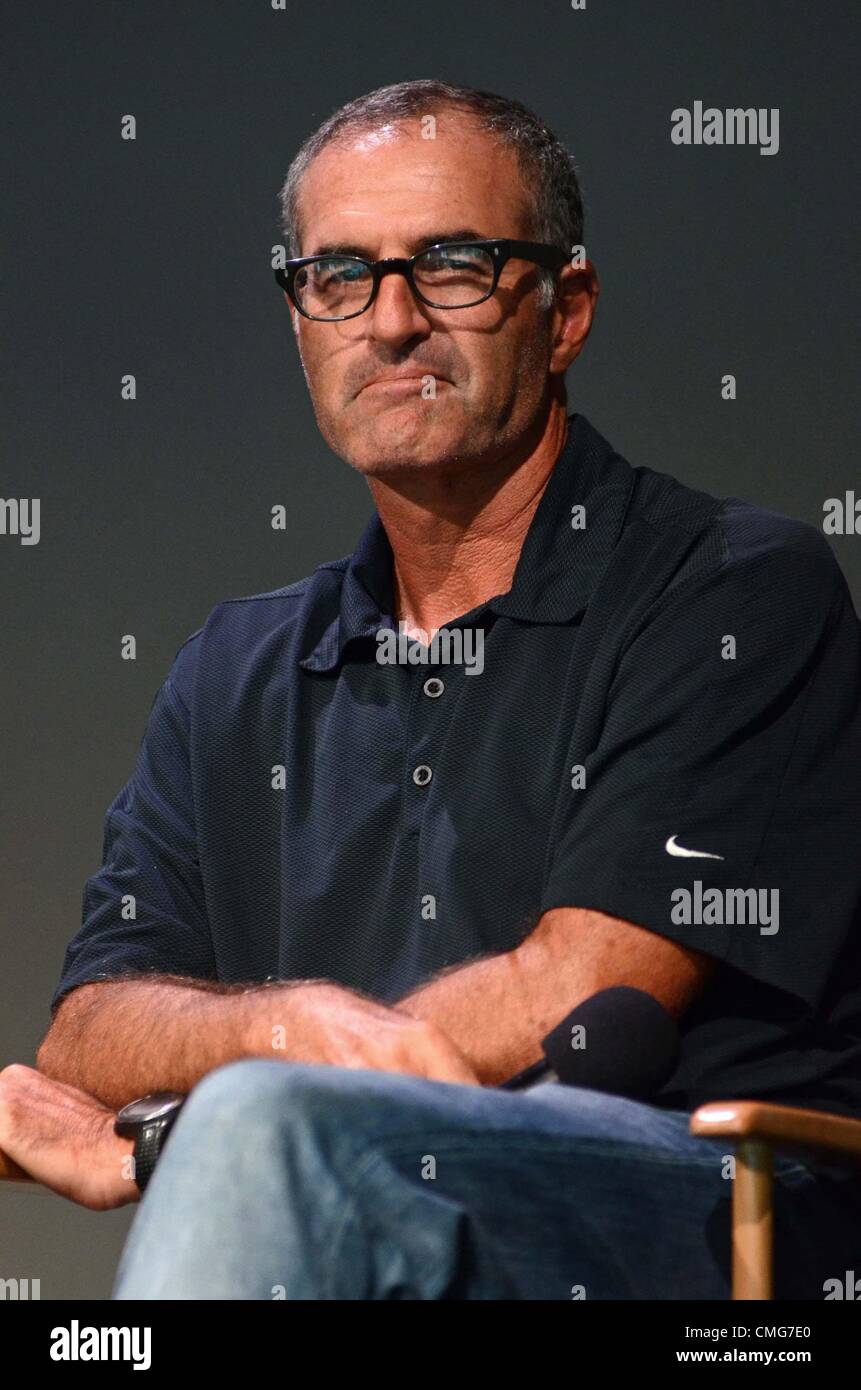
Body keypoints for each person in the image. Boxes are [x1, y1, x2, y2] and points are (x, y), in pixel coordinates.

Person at [3, 80, 860, 1299]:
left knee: (269, 1135)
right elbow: (87, 1035)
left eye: (452, 265)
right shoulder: (236, 665)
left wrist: (225, 1104)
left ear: (565, 310)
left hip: (689, 1226)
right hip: (344, 1229)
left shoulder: (732, 591)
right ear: (300, 316)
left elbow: (584, 993)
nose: (391, 321)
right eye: (339, 275)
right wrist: (273, 1033)